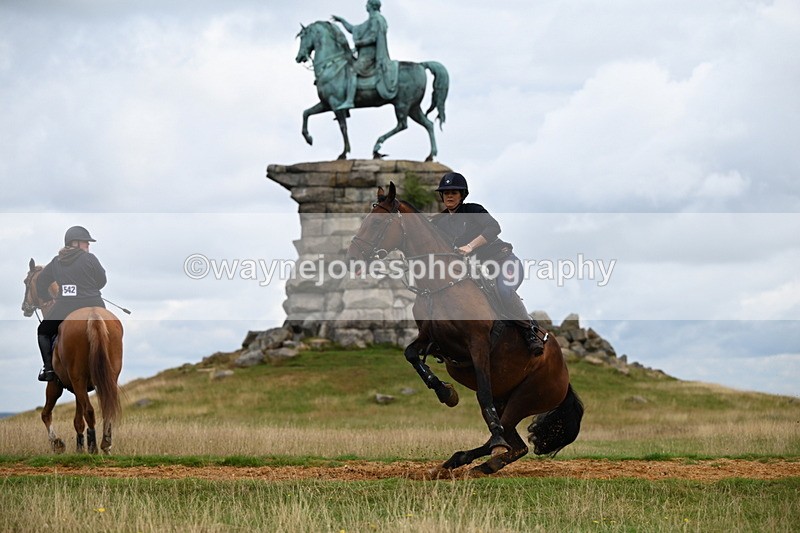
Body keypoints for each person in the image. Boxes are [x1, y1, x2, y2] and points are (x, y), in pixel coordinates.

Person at [430, 172, 544, 356]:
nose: (449, 195)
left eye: (454, 192)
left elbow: (494, 227)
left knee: (504, 291)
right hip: (476, 271)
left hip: (504, 262)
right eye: (446, 192)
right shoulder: (440, 222)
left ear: (462, 195)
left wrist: (469, 246)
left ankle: (531, 333)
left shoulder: (473, 210)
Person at [35, 226, 107, 381]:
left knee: (43, 331)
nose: (88, 245)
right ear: (75, 243)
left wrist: (46, 297)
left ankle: (48, 370)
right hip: (94, 301)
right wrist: (89, 289)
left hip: (66, 305)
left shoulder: (56, 262)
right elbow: (102, 280)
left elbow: (41, 282)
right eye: (86, 242)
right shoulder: (90, 258)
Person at [332, 0, 398, 110]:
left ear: (371, 6)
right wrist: (342, 21)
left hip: (369, 56)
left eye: (367, 4)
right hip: (364, 55)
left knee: (352, 71)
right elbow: (353, 29)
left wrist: (359, 43)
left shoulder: (376, 19)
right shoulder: (371, 20)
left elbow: (373, 38)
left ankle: (349, 101)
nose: (365, 6)